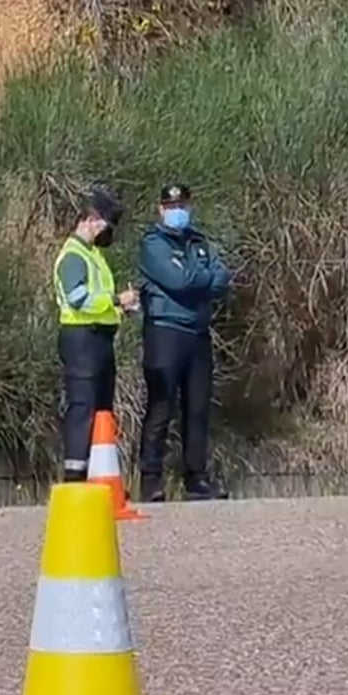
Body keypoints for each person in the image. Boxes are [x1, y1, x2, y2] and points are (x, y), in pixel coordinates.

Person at [136, 183, 232, 501]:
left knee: (198, 407)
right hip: (165, 331)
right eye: (170, 206)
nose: (177, 211)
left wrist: (197, 279)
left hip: (197, 333)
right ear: (160, 209)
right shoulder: (153, 244)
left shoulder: (199, 242)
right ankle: (151, 479)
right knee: (161, 406)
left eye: (182, 206)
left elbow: (221, 276)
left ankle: (196, 478)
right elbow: (178, 280)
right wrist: (199, 279)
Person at [52, 186, 140, 482]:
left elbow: (98, 299)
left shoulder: (94, 256)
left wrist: (120, 309)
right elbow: (78, 299)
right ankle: (75, 477)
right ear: (91, 219)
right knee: (83, 407)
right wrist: (116, 301)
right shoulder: (74, 255)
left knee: (102, 409)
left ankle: (101, 477)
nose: (108, 234)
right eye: (106, 226)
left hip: (100, 339)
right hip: (81, 340)